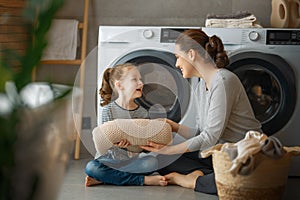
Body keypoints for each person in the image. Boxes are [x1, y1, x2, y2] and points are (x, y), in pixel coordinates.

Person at [140, 29, 262, 194]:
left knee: (236, 182)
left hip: (243, 156)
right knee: (159, 158)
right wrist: (174, 126)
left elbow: (210, 137)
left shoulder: (224, 81)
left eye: (178, 57)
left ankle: (191, 180)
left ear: (191, 54)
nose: (176, 64)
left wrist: (169, 149)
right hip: (218, 155)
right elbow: (201, 133)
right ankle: (203, 175)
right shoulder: (199, 86)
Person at [85, 63, 167, 187]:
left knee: (152, 162)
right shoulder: (109, 110)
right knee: (92, 167)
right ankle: (142, 180)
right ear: (120, 85)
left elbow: (144, 144)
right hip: (109, 160)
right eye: (135, 79)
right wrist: (115, 144)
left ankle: (106, 178)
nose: (141, 83)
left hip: (130, 161)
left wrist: (132, 145)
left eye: (140, 79)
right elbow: (104, 141)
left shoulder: (142, 112)